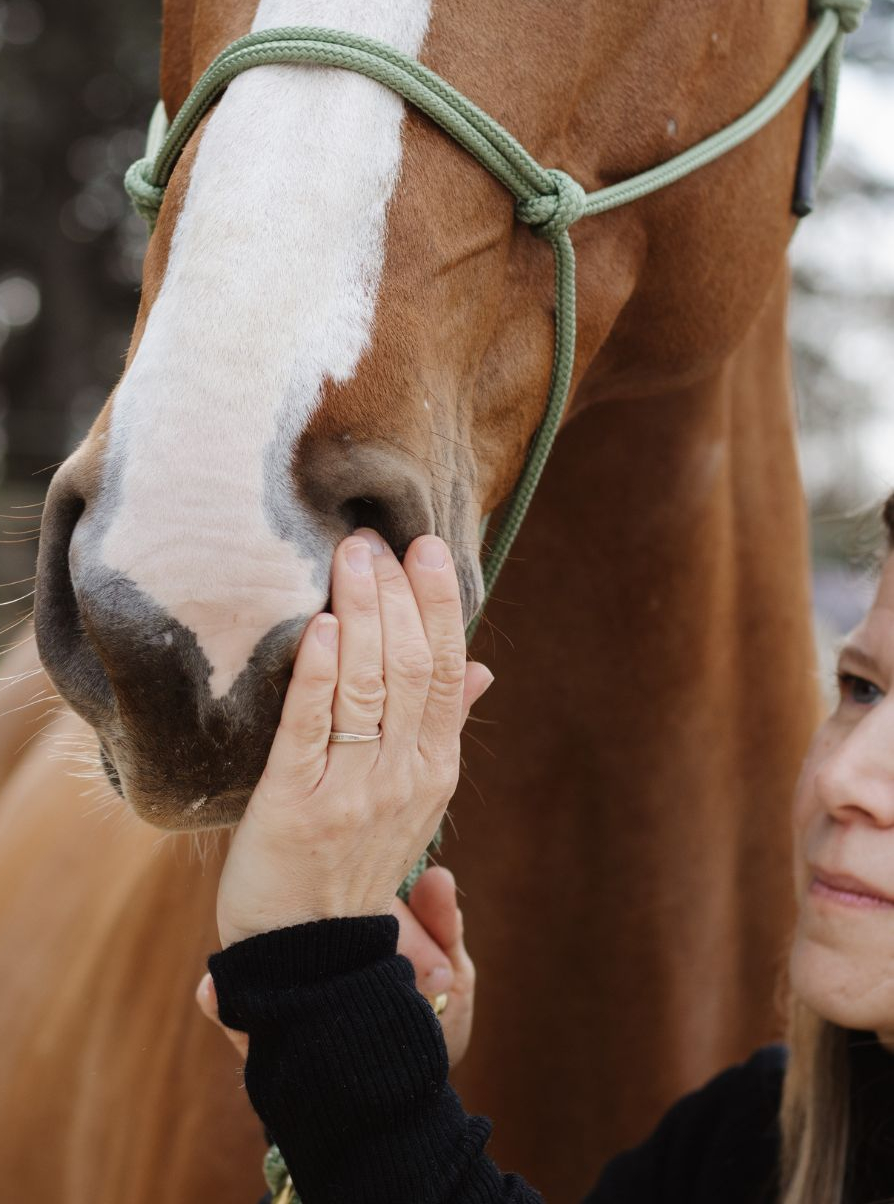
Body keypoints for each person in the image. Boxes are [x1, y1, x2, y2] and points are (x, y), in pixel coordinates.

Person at [195, 498, 894, 1204]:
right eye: (862, 689)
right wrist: (344, 1077)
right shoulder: (741, 1144)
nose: (842, 779)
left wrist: (328, 1009)